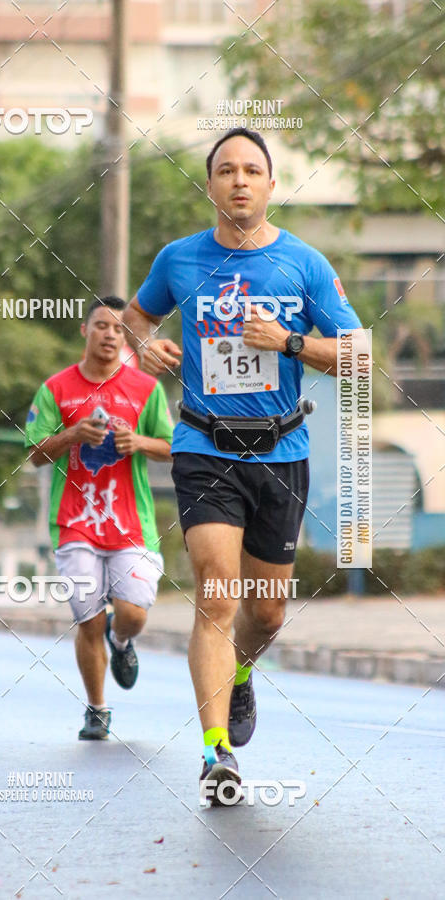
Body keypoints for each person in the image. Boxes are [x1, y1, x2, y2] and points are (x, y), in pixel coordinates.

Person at [123, 128, 364, 804]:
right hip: (204, 446)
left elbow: (359, 358)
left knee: (267, 615)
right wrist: (150, 348)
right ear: (210, 186)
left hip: (282, 452)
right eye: (225, 170)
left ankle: (242, 674)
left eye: (251, 171)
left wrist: (286, 340)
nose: (238, 181)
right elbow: (138, 319)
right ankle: (214, 752)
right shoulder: (179, 259)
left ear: (269, 185)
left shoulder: (306, 265)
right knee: (217, 593)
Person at [25, 296, 173, 740]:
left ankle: (122, 640)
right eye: (100, 326)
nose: (110, 334)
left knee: (132, 614)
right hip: (75, 524)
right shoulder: (56, 389)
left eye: (117, 328)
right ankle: (96, 708)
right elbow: (33, 454)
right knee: (87, 618)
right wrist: (72, 434)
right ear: (84, 331)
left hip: (131, 526)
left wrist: (138, 443)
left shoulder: (146, 389)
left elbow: (172, 446)